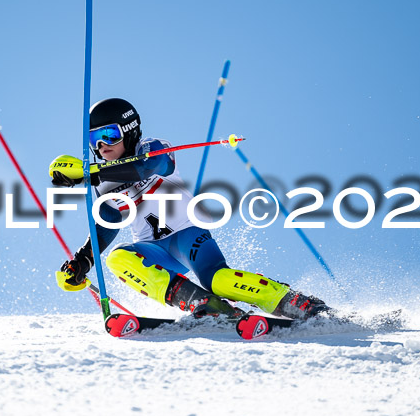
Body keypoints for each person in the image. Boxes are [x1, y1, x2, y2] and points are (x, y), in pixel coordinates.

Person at [49, 98, 330, 320]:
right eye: (93, 140)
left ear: (129, 130)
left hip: (188, 235)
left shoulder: (154, 148)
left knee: (218, 279)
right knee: (118, 259)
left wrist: (90, 174)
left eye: (109, 135)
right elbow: (107, 226)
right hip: (153, 249)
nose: (101, 145)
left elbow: (146, 167)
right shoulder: (103, 182)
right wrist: (82, 261)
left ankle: (293, 302)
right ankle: (204, 304)